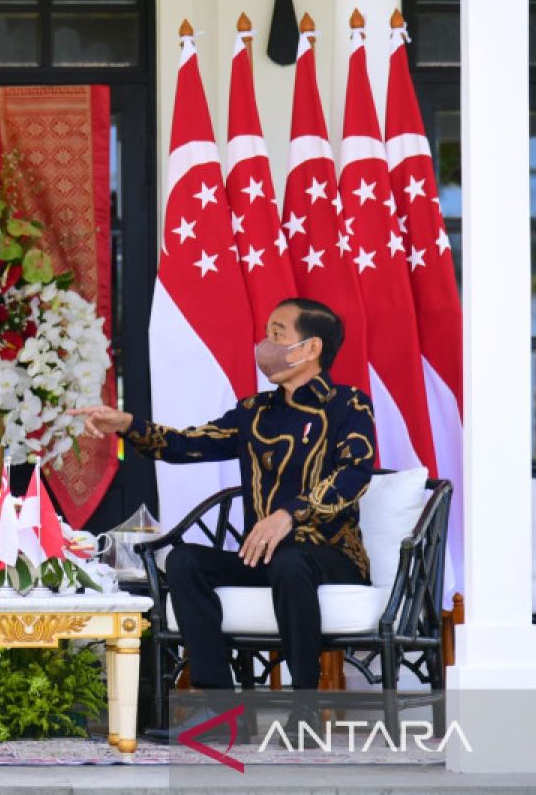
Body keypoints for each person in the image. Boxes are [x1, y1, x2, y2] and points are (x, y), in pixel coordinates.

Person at [71, 297, 375, 741]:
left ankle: (304, 709)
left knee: (291, 560)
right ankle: (222, 708)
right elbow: (186, 444)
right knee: (186, 562)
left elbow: (355, 474)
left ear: (310, 349)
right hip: (265, 558)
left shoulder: (349, 405)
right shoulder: (255, 412)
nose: (264, 345)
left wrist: (288, 515)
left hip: (331, 555)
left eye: (277, 334)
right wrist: (128, 424)